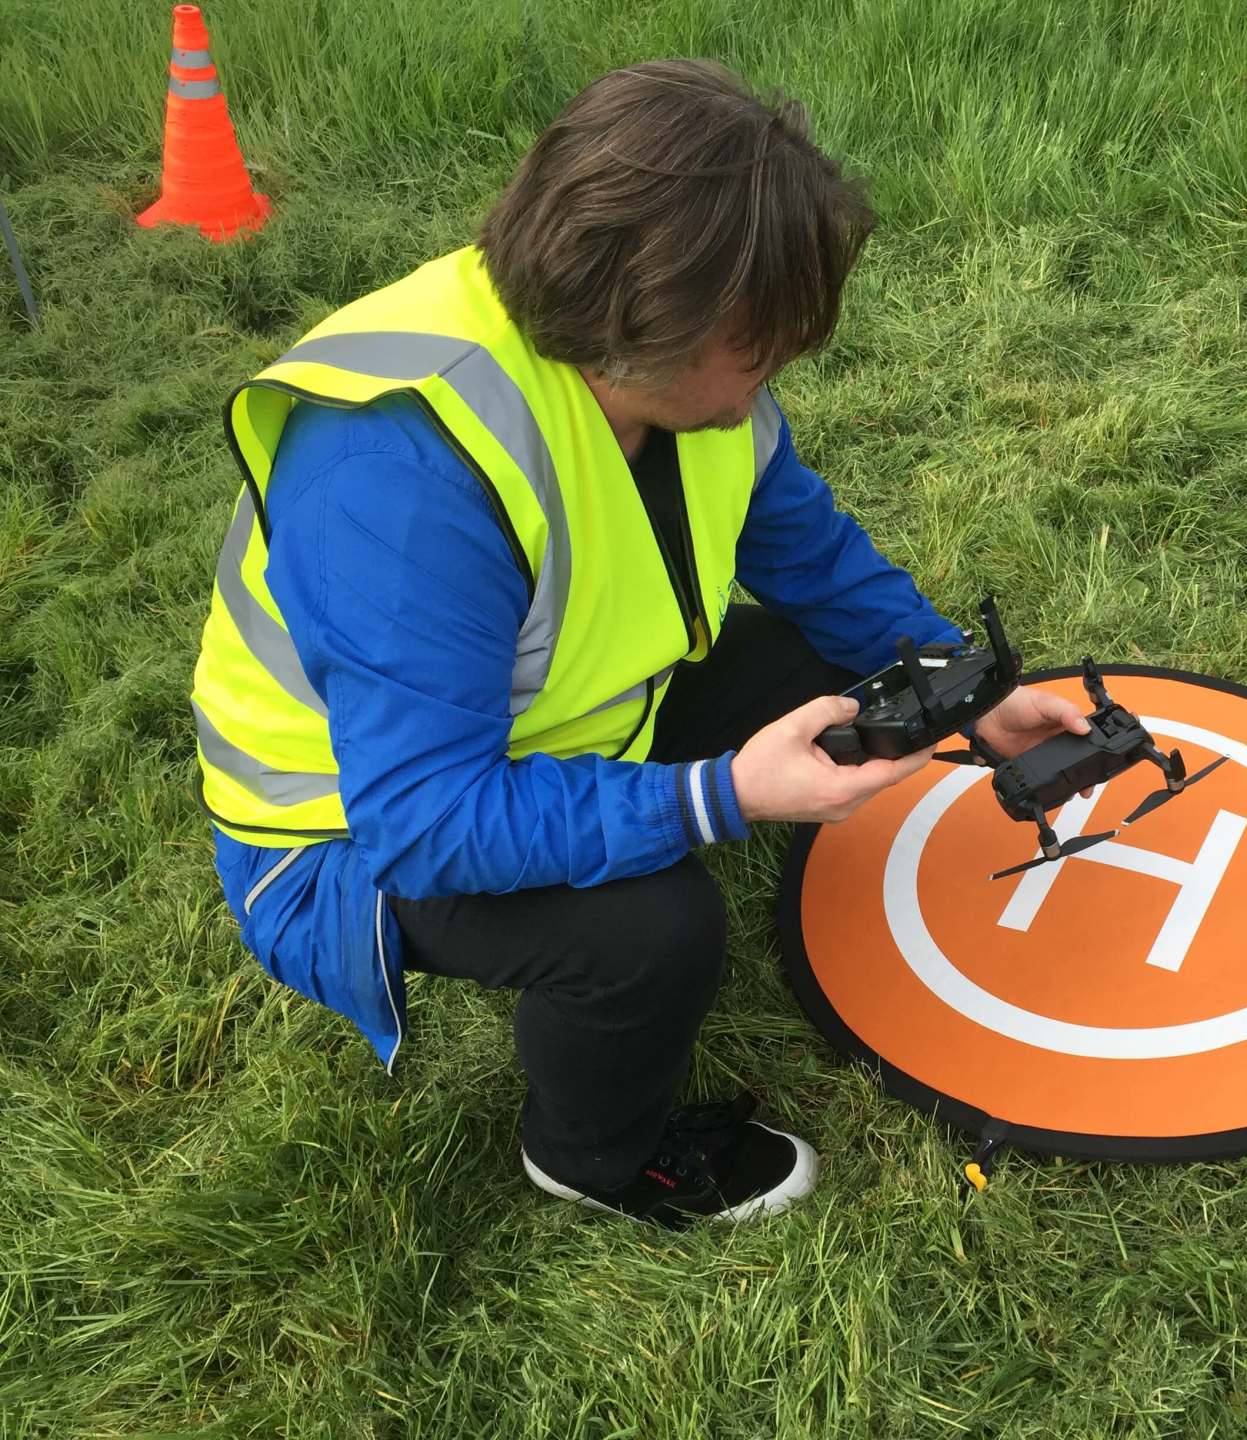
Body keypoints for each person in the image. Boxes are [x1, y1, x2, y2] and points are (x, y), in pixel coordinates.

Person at [189, 60, 1088, 1229]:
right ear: (654, 322)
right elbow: (427, 827)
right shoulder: (397, 479)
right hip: (339, 838)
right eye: (762, 342)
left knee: (828, 672)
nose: (787, 365)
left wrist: (964, 691)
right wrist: (717, 799)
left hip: (551, 724)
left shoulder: (670, 378)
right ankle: (597, 1158)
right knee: (652, 930)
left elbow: (807, 551)